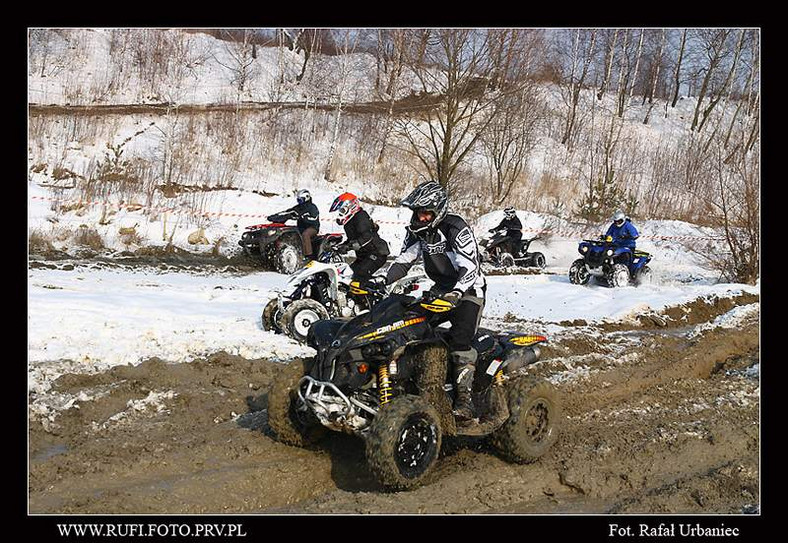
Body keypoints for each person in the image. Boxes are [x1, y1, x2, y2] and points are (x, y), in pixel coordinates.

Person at [368, 180, 487, 422]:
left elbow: (470, 266)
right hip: (440, 289)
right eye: (417, 212)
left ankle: (465, 400)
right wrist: (382, 279)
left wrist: (456, 293)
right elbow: (403, 261)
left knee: (460, 339)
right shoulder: (416, 232)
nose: (420, 217)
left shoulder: (456, 228)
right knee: (408, 325)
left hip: (468, 290)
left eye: (425, 212)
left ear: (438, 210)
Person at [330, 192, 390, 282]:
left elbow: (367, 236)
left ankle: (374, 291)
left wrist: (349, 247)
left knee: (360, 275)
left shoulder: (361, 217)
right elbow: (352, 239)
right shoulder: (349, 222)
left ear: (351, 206)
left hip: (377, 253)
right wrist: (340, 247)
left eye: (342, 211)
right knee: (348, 274)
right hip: (364, 255)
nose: (340, 214)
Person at [269, 189, 320, 260]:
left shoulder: (312, 207)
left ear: (307, 198)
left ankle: (309, 256)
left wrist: (302, 217)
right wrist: (276, 217)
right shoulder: (298, 207)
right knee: (289, 232)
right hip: (300, 228)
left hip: (312, 228)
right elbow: (287, 212)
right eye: (298, 200)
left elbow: (314, 218)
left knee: (305, 234)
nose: (299, 202)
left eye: (301, 200)